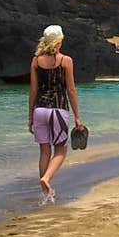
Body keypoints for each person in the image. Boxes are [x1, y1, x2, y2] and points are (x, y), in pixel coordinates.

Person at [28, 25, 84, 203]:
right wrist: (77, 117)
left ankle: (46, 194)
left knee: (44, 151)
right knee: (61, 150)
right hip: (58, 110)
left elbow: (33, 90)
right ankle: (47, 179)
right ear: (59, 41)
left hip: (40, 110)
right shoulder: (65, 60)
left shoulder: (36, 61)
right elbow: (71, 90)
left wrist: (30, 116)